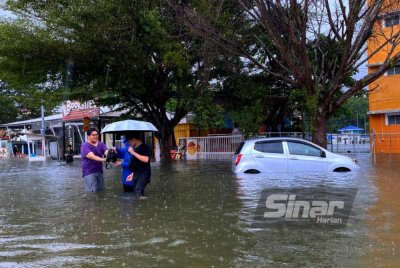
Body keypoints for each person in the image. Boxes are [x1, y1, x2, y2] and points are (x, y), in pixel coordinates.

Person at [80, 128, 109, 192]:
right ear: (88, 136)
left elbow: (106, 151)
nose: (95, 136)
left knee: (101, 191)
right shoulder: (85, 146)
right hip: (89, 171)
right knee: (92, 192)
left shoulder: (101, 144)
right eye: (93, 135)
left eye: (96, 134)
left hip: (99, 171)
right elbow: (91, 156)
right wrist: (104, 159)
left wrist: (110, 154)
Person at [125, 132, 151, 200]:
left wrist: (133, 153)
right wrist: (132, 174)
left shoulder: (145, 147)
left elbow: (146, 159)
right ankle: (142, 208)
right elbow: (135, 164)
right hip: (136, 174)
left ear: (133, 139)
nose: (128, 143)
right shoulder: (135, 148)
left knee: (138, 192)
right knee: (138, 193)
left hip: (144, 174)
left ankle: (150, 202)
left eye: (129, 141)